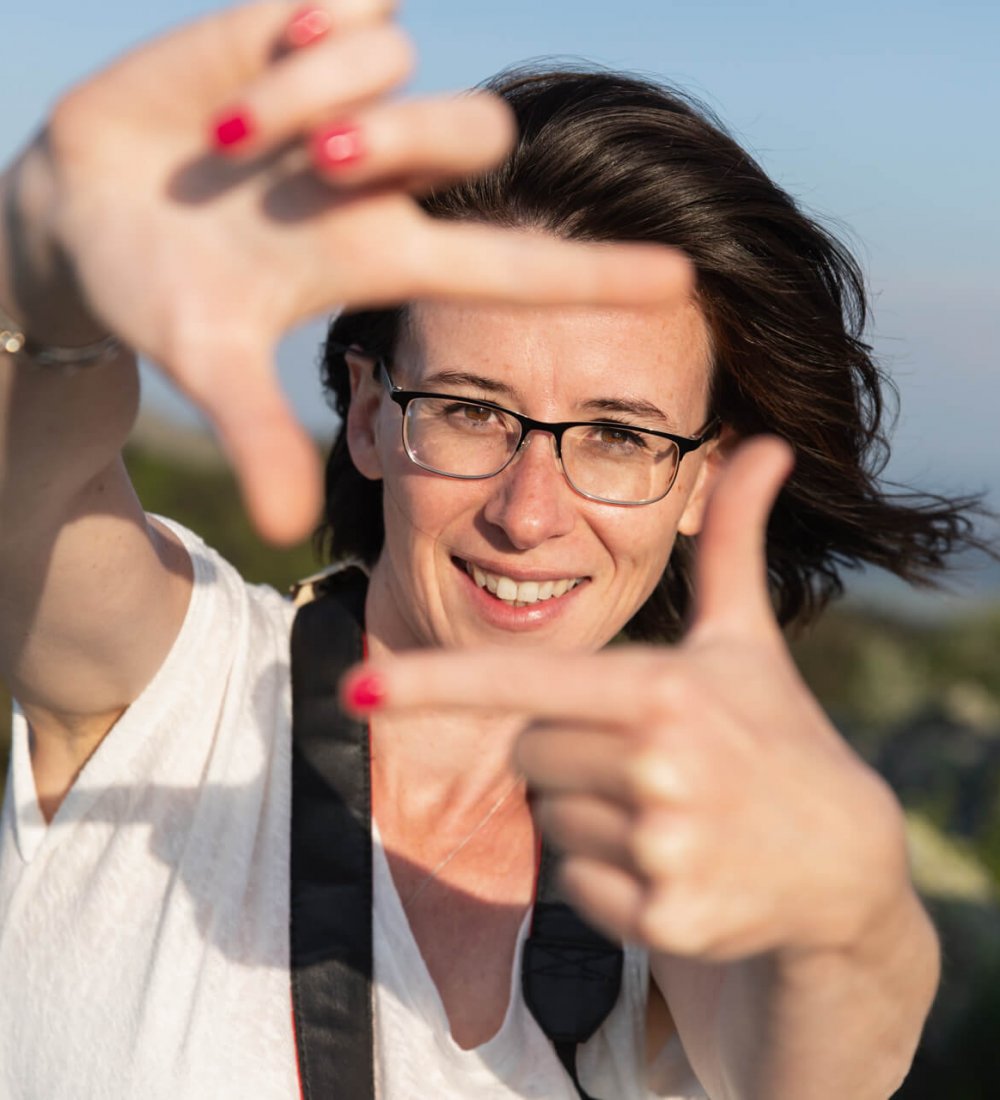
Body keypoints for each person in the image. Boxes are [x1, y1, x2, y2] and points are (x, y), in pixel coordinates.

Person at [0, 2, 982, 1097]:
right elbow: (30, 478)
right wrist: (39, 288)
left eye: (617, 434)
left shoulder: (675, 853)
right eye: (470, 410)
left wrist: (855, 922)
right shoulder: (177, 693)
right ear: (369, 414)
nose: (528, 511)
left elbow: (816, 1066)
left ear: (703, 478)